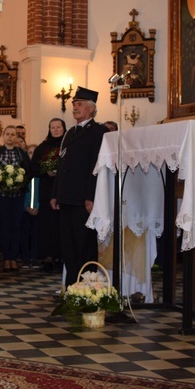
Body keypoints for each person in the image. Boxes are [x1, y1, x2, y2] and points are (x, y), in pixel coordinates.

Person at [50, 87, 109, 287]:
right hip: (66, 197)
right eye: (74, 104)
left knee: (85, 245)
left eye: (80, 104)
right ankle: (71, 290)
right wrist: (55, 193)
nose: (75, 107)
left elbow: (96, 165)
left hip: (83, 199)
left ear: (91, 109)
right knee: (68, 246)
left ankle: (88, 289)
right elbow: (62, 164)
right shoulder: (70, 133)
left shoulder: (99, 131)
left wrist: (91, 196)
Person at [0, 125, 31, 272]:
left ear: (16, 137)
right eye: (7, 134)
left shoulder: (22, 153)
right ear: (3, 136)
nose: (10, 137)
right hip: (1, 196)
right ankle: (5, 257)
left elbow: (27, 172)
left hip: (17, 195)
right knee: (4, 225)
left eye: (13, 135)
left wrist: (20, 184)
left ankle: (13, 257)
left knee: (16, 225)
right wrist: (0, 183)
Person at [30, 118, 66, 272]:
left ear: (64, 129)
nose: (55, 130)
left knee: (61, 226)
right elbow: (33, 169)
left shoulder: (68, 145)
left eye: (58, 127)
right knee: (46, 226)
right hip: (46, 191)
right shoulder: (42, 147)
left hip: (64, 191)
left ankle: (61, 257)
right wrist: (46, 171)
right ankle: (48, 258)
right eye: (52, 127)